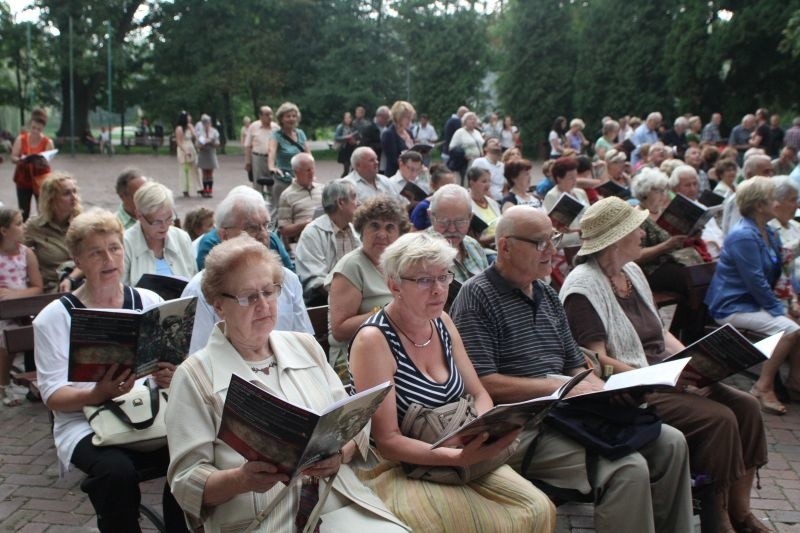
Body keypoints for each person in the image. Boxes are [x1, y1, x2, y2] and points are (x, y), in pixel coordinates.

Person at [449, 205, 693, 533]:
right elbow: (482, 382)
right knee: (626, 469)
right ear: (504, 246)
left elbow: (574, 362)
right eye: (540, 243)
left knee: (672, 443)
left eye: (554, 239)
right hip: (522, 427)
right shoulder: (477, 295)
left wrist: (600, 389)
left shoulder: (547, 294)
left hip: (570, 414)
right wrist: (560, 387)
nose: (552, 251)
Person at [164, 235, 408, 532]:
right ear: (218, 306)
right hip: (264, 518)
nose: (264, 305)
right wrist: (242, 479)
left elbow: (354, 423)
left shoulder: (305, 347)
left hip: (337, 501)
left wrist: (339, 454)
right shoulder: (195, 376)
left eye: (269, 291)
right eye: (248, 297)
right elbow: (185, 482)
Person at [561, 197, 769, 533]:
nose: (644, 234)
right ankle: (718, 518)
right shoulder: (582, 287)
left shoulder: (632, 271)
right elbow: (596, 361)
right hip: (638, 386)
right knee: (719, 419)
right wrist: (666, 376)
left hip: (667, 372)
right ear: (616, 239)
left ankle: (741, 511)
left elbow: (661, 332)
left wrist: (698, 360)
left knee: (746, 405)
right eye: (636, 228)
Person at [348, 232, 556, 532]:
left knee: (538, 508)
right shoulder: (374, 340)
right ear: (394, 285)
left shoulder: (442, 321)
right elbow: (388, 440)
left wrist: (486, 428)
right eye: (423, 280)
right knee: (477, 524)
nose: (438, 290)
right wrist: (455, 457)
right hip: (400, 467)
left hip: (461, 449)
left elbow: (478, 392)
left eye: (444, 277)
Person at [33, 208, 187, 532]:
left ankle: (179, 526)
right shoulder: (54, 318)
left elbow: (176, 364)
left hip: (150, 413)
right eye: (96, 252)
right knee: (115, 472)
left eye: (115, 248)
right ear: (78, 259)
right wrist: (96, 393)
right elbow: (51, 396)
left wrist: (171, 374)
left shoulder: (148, 301)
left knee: (191, 452)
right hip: (85, 424)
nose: (109, 259)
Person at [706, 177, 800, 415]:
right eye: (772, 199)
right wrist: (780, 310)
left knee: (797, 322)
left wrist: (790, 302)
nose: (776, 203)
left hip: (752, 303)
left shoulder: (767, 231)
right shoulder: (744, 235)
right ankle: (762, 386)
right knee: (790, 330)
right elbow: (756, 282)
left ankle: (795, 383)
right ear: (759, 205)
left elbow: (778, 273)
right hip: (733, 306)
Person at [185, 186, 311, 353]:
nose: (263, 234)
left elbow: (304, 343)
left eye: (266, 225)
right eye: (252, 228)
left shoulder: (288, 279)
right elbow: (198, 356)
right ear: (223, 235)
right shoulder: (200, 290)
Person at [326, 196, 409, 382]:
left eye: (389, 227)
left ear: (399, 235)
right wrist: (387, 313)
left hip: (395, 353)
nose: (382, 234)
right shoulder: (351, 267)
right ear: (361, 230)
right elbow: (339, 331)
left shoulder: (399, 265)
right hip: (352, 358)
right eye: (374, 226)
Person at [0, 207, 43, 406]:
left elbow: (37, 287)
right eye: (18, 223)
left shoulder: (26, 253)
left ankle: (32, 381)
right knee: (5, 336)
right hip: (3, 312)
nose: (23, 226)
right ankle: (3, 385)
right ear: (4, 230)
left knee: (27, 331)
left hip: (23, 310)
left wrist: (16, 295)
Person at [295, 180, 361, 306]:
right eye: (353, 197)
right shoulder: (312, 233)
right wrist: (350, 299)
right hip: (323, 303)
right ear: (341, 203)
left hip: (355, 298)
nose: (358, 203)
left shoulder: (354, 231)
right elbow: (317, 282)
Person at [122, 182, 196, 287]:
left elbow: (193, 280)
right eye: (157, 222)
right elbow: (123, 292)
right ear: (139, 215)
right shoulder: (125, 244)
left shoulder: (182, 238)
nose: (164, 226)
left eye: (169, 218)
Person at [25, 173, 83, 293]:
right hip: (52, 288)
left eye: (75, 191)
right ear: (51, 198)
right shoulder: (35, 226)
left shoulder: (83, 222)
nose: (74, 197)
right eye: (67, 193)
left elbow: (90, 259)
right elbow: (11, 247)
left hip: (82, 281)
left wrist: (70, 278)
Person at [428, 184, 490, 282]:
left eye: (460, 221)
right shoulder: (420, 255)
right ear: (431, 216)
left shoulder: (473, 245)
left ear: (470, 217)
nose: (452, 229)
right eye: (444, 221)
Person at [268, 102, 310, 220]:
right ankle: (269, 233)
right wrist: (271, 166)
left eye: (294, 116)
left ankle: (293, 235)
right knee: (278, 211)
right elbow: (271, 151)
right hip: (284, 179)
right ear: (281, 118)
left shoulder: (300, 133)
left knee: (300, 209)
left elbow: (308, 155)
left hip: (300, 178)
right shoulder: (276, 135)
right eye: (288, 116)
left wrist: (311, 172)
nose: (291, 119)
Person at [10, 108, 54, 220]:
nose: (35, 131)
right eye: (33, 128)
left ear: (43, 128)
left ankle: (42, 234)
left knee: (43, 210)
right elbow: (13, 157)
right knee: (23, 210)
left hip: (40, 179)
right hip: (23, 178)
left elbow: (48, 160)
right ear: (30, 125)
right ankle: (22, 234)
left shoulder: (47, 142)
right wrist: (20, 160)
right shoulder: (21, 139)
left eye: (39, 129)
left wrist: (41, 161)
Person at [276, 152, 322, 247]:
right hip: (303, 243)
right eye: (307, 170)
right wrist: (304, 224)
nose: (311, 173)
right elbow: (284, 230)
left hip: (325, 239)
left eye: (312, 168)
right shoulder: (287, 195)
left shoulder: (323, 189)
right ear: (296, 172)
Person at [543, 156, 588, 248]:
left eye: (576, 176)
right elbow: (551, 227)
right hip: (567, 245)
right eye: (571, 178)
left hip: (586, 240)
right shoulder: (552, 195)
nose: (575, 180)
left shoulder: (580, 192)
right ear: (559, 178)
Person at [409, 164, 457, 231]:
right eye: (445, 186)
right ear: (433, 185)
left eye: (453, 186)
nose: (450, 189)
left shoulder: (457, 206)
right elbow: (414, 235)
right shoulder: (423, 208)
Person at [244, 106, 278, 192]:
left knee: (273, 183)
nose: (270, 117)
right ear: (260, 116)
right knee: (257, 184)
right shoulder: (253, 126)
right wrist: (248, 162)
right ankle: (258, 202)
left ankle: (272, 203)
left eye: (271, 114)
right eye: (267, 115)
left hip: (272, 159)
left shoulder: (276, 128)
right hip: (257, 158)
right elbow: (248, 145)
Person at [466, 167, 501, 247]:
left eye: (489, 181)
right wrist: (498, 236)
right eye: (484, 181)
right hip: (485, 249)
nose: (488, 184)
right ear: (472, 183)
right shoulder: (466, 205)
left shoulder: (493, 203)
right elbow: (474, 240)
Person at [381, 101, 415, 177]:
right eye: (407, 117)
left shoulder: (409, 132)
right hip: (395, 175)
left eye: (411, 117)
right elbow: (393, 159)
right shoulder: (388, 134)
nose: (410, 120)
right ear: (398, 117)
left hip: (410, 174)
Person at [448, 112, 484, 179]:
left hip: (479, 161)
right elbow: (451, 147)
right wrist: (463, 155)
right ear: (464, 121)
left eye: (474, 119)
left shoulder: (477, 132)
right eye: (470, 119)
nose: (472, 121)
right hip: (466, 163)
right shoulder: (459, 132)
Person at [175, 111, 201, 198]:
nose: (190, 118)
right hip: (184, 148)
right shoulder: (179, 128)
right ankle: (185, 189)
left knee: (195, 169)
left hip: (191, 147)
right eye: (188, 116)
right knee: (184, 170)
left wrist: (191, 128)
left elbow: (195, 136)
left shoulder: (189, 127)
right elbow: (179, 142)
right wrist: (185, 151)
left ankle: (199, 188)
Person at [470, 137, 505, 201]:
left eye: (498, 142)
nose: (496, 143)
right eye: (492, 141)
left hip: (502, 200)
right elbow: (474, 184)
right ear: (485, 148)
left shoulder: (503, 166)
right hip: (486, 201)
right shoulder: (480, 162)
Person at [195, 114, 220, 198]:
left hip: (211, 153)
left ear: (210, 123)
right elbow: (197, 145)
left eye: (208, 122)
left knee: (210, 173)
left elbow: (217, 143)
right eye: (204, 123)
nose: (206, 124)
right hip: (203, 153)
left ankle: (210, 190)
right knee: (204, 173)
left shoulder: (214, 131)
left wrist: (211, 141)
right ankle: (205, 189)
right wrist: (202, 143)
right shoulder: (199, 132)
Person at [334, 111, 359, 177]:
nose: (348, 119)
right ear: (343, 119)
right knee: (346, 169)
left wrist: (355, 141)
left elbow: (358, 136)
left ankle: (350, 180)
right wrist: (346, 137)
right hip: (344, 149)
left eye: (349, 118)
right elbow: (336, 137)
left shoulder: (353, 127)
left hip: (352, 148)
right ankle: (342, 182)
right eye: (346, 118)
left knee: (354, 167)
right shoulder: (341, 127)